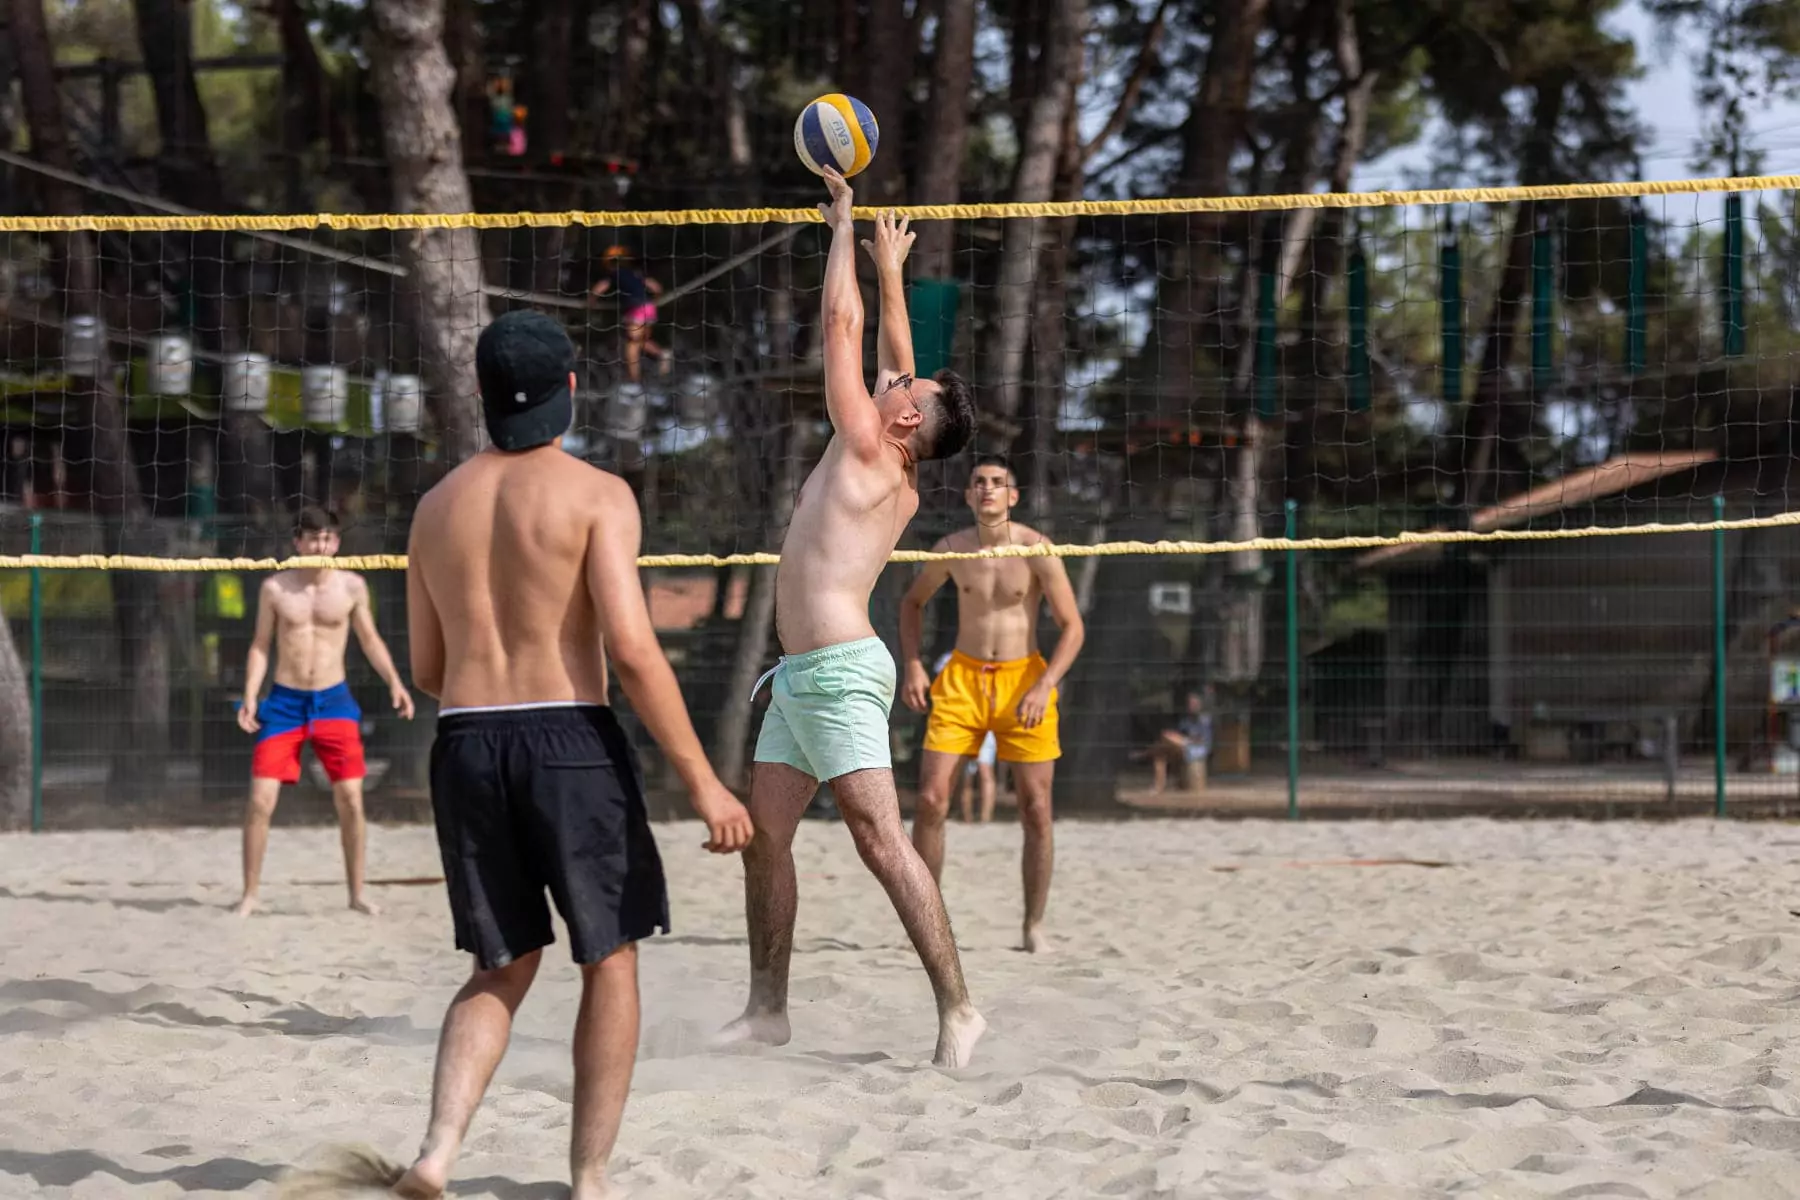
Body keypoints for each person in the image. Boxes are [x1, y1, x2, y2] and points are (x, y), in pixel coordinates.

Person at [393, 309, 753, 1200]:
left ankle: (437, 1152)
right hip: (568, 738)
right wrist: (705, 781)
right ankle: (589, 1179)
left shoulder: (434, 507)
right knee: (611, 956)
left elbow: (429, 668)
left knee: (500, 964)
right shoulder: (598, 494)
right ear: (572, 393)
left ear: (480, 397)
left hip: (466, 738)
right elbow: (632, 650)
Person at [718, 169, 985, 1069]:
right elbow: (892, 356)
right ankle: (766, 1009)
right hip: (802, 676)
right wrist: (891, 269)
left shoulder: (871, 449)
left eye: (910, 388)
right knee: (767, 842)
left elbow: (842, 329)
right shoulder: (886, 455)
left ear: (906, 417)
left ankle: (958, 1009)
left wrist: (839, 227)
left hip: (836, 670)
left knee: (880, 842)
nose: (899, 381)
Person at [899, 456, 1086, 953]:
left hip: (1024, 680)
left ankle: (1033, 925)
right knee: (932, 800)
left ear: (1013, 495)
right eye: (979, 482)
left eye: (998, 483)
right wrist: (914, 664)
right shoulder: (951, 549)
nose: (987, 490)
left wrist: (1046, 684)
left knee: (1036, 808)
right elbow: (911, 603)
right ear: (967, 495)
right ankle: (927, 923)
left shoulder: (1037, 549)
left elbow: (1073, 627)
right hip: (962, 678)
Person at [233, 506, 414, 918]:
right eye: (313, 538)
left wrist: (395, 683)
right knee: (261, 800)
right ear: (298, 542)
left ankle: (356, 893)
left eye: (328, 538)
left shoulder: (351, 586)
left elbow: (370, 640)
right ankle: (250, 894)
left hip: (333, 700)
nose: (321, 545)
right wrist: (249, 694)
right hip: (284, 702)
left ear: (336, 543)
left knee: (351, 797)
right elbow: (261, 645)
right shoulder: (276, 588)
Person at [588, 245, 669, 384]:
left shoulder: (614, 274)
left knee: (631, 348)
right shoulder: (636, 273)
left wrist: (591, 302)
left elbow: (598, 289)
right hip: (649, 308)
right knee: (641, 342)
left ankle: (634, 381)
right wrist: (655, 300)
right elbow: (656, 287)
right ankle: (662, 354)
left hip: (636, 310)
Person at [1146, 688, 1213, 793]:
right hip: (1184, 746)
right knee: (1160, 754)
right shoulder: (1185, 720)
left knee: (1164, 739)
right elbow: (1179, 734)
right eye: (1190, 703)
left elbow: (1202, 740)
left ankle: (1144, 753)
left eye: (1194, 703)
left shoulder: (1204, 720)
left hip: (1197, 748)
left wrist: (1184, 740)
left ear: (1200, 704)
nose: (1192, 706)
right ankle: (1158, 787)